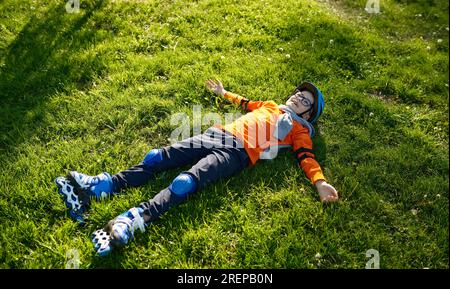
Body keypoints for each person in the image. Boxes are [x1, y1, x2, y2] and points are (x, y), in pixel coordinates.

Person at [55, 79, 339, 256]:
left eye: (305, 101)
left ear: (308, 113)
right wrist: (223, 92)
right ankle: (102, 187)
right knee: (156, 156)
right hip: (217, 133)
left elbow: (307, 159)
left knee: (185, 182)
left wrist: (320, 182)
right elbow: (245, 102)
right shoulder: (269, 105)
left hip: (238, 154)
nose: (298, 98)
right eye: (299, 94)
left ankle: (134, 218)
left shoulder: (299, 130)